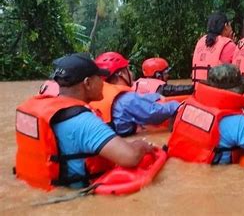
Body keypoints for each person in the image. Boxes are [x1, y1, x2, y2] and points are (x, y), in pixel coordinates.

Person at [15, 53, 155, 190]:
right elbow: (130, 157)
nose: (103, 82)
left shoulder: (42, 110)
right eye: (99, 78)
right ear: (88, 83)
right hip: (76, 197)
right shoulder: (84, 122)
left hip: (45, 190)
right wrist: (141, 146)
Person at [90, 52, 180, 137]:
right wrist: (177, 105)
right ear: (120, 74)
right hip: (124, 144)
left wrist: (155, 97)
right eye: (128, 69)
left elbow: (138, 100)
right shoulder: (126, 100)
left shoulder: (96, 94)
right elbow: (156, 114)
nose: (131, 73)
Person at [191, 12, 236, 82]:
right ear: (226, 26)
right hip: (216, 91)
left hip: (198, 89)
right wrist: (232, 44)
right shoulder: (229, 45)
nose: (231, 29)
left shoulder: (201, 41)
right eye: (230, 25)